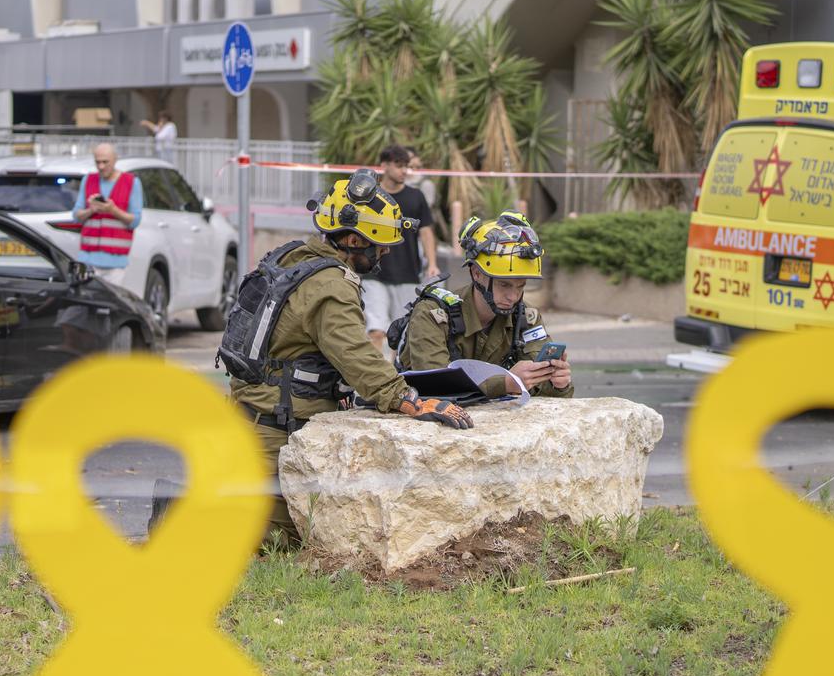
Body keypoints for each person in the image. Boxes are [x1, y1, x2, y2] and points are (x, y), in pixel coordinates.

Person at [217, 167, 474, 542]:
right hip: (273, 430)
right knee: (286, 536)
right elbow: (354, 353)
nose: (385, 252)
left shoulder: (296, 256)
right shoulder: (332, 286)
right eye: (378, 245)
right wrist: (407, 400)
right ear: (354, 241)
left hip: (251, 413)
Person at [393, 211, 574, 399]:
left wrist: (558, 385)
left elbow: (545, 391)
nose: (513, 297)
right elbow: (435, 387)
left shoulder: (525, 318)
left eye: (521, 286)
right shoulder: (432, 314)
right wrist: (506, 383)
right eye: (504, 285)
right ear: (476, 273)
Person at [360, 144, 439, 354]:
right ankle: (373, 372)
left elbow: (426, 231)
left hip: (408, 273)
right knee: (376, 330)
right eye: (399, 165)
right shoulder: (371, 196)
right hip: (373, 273)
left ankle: (393, 372)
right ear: (384, 165)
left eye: (406, 166)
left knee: (401, 334)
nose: (404, 171)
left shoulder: (416, 196)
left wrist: (432, 263)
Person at [70, 142, 143, 271]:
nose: (101, 166)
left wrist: (112, 210)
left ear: (115, 159)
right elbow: (76, 216)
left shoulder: (131, 182)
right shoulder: (88, 180)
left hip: (115, 262)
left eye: (105, 162)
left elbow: (135, 221)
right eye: (97, 162)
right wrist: (91, 210)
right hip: (87, 260)